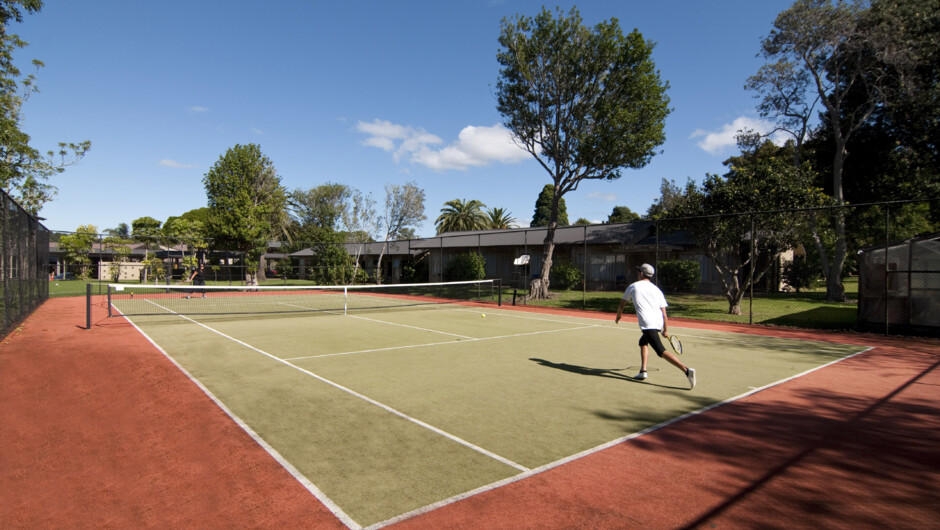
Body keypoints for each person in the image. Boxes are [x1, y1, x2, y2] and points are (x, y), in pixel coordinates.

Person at [615, 263, 696, 390]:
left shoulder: (633, 286)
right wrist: (665, 330)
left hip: (648, 325)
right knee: (643, 342)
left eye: (639, 271)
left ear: (642, 273)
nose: (637, 273)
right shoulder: (657, 290)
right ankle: (643, 371)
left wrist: (618, 316)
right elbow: (664, 314)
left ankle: (686, 370)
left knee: (661, 351)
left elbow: (621, 304)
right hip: (658, 323)